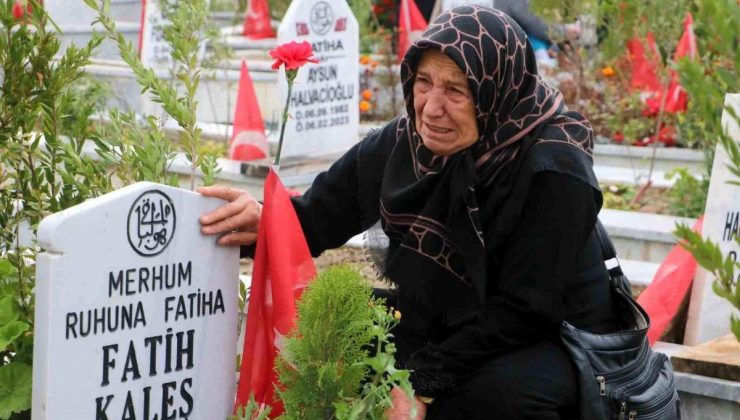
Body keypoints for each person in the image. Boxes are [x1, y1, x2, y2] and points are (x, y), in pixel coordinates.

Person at [200, 5, 619, 419]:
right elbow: (317, 216)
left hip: (552, 337)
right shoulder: (408, 143)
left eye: (456, 90)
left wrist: (422, 382)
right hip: (452, 317)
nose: (431, 108)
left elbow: (527, 310)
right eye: (424, 82)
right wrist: (262, 221)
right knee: (331, 322)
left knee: (494, 398)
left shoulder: (554, 167)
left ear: (495, 90)